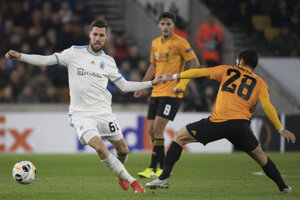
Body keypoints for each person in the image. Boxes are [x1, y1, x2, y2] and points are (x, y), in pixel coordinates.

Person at [5, 19, 163, 194]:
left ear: (106, 37)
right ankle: (134, 182)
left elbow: (124, 86)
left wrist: (151, 83)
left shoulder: (108, 61)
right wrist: (21, 56)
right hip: (82, 115)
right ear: (90, 34)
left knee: (123, 150)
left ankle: (121, 173)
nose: (97, 38)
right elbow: (45, 60)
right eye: (95, 34)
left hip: (104, 114)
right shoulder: (74, 53)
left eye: (101, 35)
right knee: (100, 148)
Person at [146, 49, 296, 194]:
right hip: (241, 126)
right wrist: (279, 128)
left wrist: (173, 77)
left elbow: (200, 72)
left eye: (237, 59)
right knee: (262, 157)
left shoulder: (228, 70)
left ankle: (164, 178)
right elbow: (267, 105)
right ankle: (283, 187)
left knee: (179, 136)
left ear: (241, 61)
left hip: (218, 122)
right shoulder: (261, 83)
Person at [134, 12, 200, 178]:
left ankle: (153, 168)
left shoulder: (181, 43)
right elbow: (152, 66)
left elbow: (195, 64)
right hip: (156, 92)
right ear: (159, 25)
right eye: (163, 24)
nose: (165, 27)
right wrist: (143, 85)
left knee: (157, 128)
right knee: (151, 129)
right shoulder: (155, 43)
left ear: (173, 25)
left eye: (169, 24)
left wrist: (182, 84)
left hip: (172, 93)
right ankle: (160, 169)